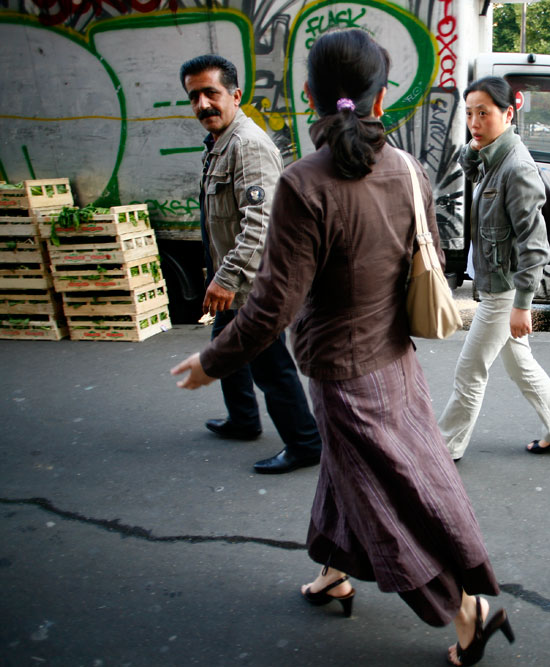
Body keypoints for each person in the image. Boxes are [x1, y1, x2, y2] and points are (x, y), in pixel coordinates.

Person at [172, 31, 512, 667]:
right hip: (397, 361)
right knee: (360, 474)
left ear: (308, 96)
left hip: (342, 375)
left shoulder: (304, 183)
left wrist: (211, 360)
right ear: (381, 96)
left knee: (387, 501)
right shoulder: (410, 169)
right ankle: (333, 573)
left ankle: (471, 611)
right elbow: (423, 253)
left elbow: (271, 306)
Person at [181, 54, 323, 474]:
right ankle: (243, 420)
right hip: (236, 279)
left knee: (270, 364)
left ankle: (305, 442)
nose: (203, 104)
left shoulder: (247, 145)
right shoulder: (220, 144)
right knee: (226, 347)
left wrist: (226, 278)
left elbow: (260, 225)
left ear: (235, 95)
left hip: (253, 284)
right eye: (194, 97)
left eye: (212, 93)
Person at [436, 76, 550, 462]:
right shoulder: (492, 158)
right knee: (519, 364)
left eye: (484, 113)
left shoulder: (515, 168)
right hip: (499, 284)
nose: (475, 122)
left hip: (503, 291)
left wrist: (522, 305)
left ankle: (445, 447)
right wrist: (473, 146)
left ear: (508, 113)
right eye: (469, 114)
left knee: (470, 371)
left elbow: (534, 245)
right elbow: (470, 172)